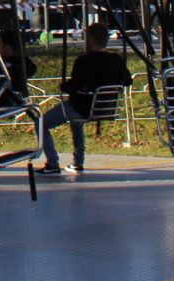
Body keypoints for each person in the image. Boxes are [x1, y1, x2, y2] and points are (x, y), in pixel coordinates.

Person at [39, 22, 130, 175]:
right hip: (106, 107)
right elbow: (128, 80)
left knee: (41, 123)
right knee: (76, 122)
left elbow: (74, 85)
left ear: (90, 40)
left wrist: (63, 86)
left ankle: (52, 162)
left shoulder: (84, 61)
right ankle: (77, 162)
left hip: (82, 107)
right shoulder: (116, 60)